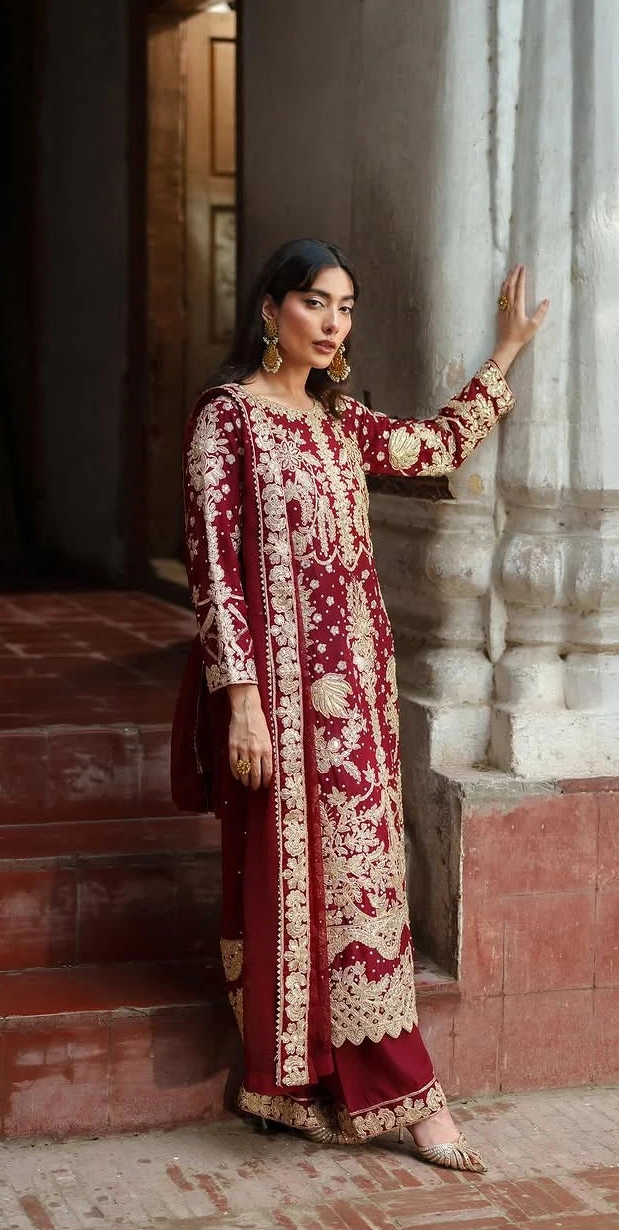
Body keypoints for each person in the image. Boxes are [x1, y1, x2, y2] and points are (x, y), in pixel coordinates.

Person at [175, 237, 548, 1173]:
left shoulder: (341, 420)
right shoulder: (228, 424)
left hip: (359, 705)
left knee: (366, 893)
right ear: (271, 310)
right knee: (303, 883)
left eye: (345, 306)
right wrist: (244, 705)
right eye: (315, 301)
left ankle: (363, 1086)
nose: (333, 321)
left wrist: (503, 356)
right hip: (283, 708)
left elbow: (434, 444)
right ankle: (386, 1094)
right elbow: (215, 575)